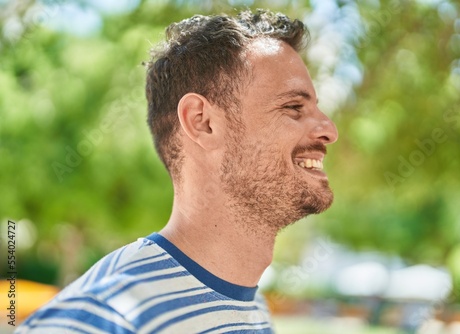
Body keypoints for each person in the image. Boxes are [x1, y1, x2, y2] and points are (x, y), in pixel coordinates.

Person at [17, 9, 338, 333]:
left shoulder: (251, 307)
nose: (330, 130)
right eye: (294, 107)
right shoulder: (102, 318)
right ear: (203, 122)